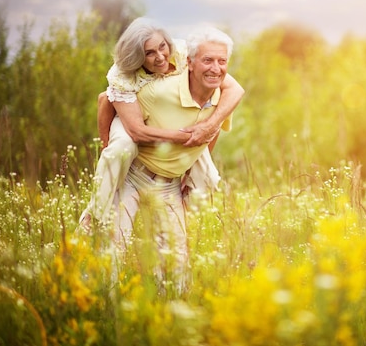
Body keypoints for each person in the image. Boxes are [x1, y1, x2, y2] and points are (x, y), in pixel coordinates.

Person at [79, 18, 244, 229]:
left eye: (162, 47)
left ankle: (181, 209)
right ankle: (94, 214)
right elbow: (107, 103)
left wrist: (206, 130)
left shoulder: (184, 54)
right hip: (129, 117)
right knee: (120, 149)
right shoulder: (123, 75)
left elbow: (234, 90)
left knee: (209, 176)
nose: (159, 57)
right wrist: (105, 143)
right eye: (149, 53)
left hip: (169, 123)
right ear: (137, 56)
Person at [113, 25, 237, 292]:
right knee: (112, 248)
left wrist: (189, 170)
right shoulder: (159, 91)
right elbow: (110, 102)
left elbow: (211, 132)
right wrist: (106, 146)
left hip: (169, 186)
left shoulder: (221, 99)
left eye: (222, 61)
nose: (215, 68)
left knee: (176, 269)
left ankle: (167, 317)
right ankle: (99, 310)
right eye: (207, 60)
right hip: (134, 178)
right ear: (189, 63)